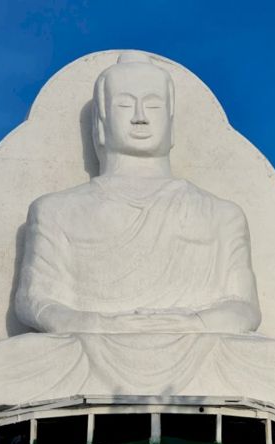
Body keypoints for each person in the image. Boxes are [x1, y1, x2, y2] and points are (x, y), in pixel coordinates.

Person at [14, 51, 261, 334]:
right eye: (124, 105)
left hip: (194, 342)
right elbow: (35, 301)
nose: (140, 118)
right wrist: (97, 325)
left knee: (272, 356)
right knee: (6, 357)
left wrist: (192, 324)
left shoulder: (221, 215)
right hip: (89, 341)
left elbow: (245, 308)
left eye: (153, 106)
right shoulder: (55, 211)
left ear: (171, 121)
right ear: (100, 123)